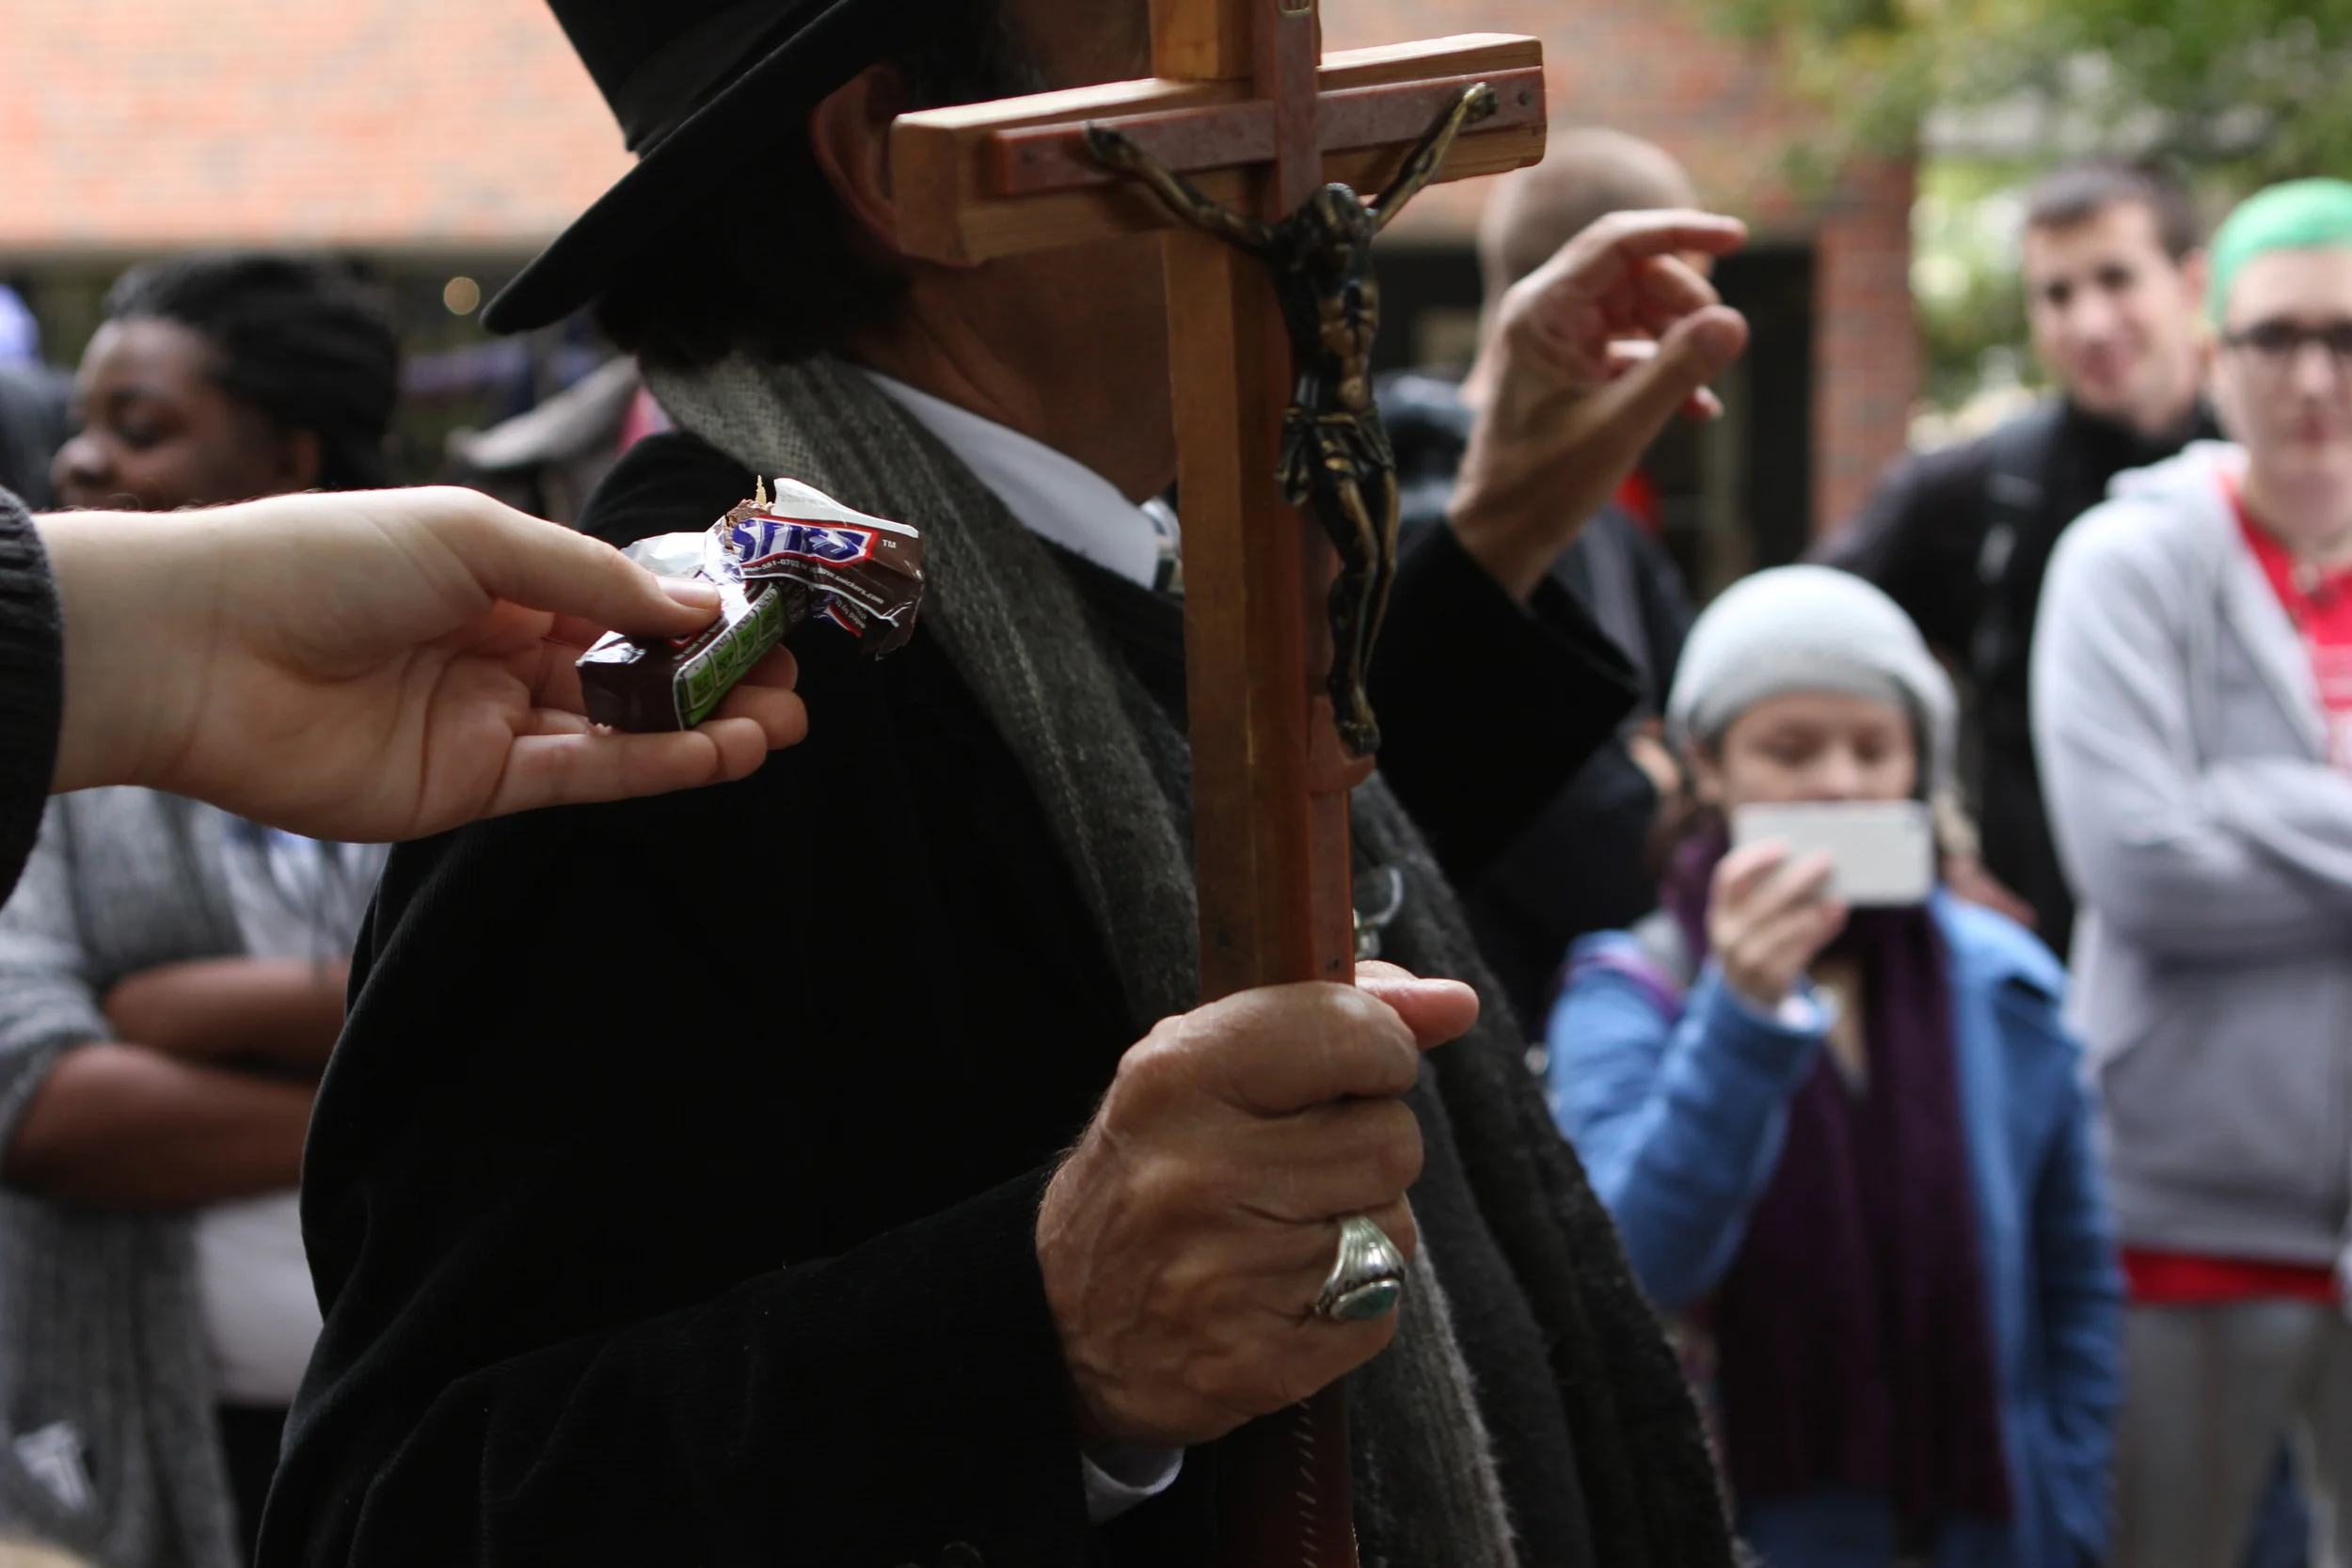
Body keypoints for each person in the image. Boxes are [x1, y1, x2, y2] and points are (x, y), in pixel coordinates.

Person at [260, 3, 1753, 1565]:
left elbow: (1245, 894)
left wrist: (1502, 524)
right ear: (892, 165)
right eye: (1191, 31)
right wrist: (1046, 1335)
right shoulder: (685, 678)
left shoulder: (1100, 545)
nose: (1294, 94)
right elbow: (409, 1507)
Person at [0, 254, 730, 1568]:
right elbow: (47, 1101)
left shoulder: (480, 710)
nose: (84, 464)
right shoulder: (55, 757)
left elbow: (570, 1042)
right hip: (140, 1456)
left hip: (428, 1450)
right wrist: (425, 1124)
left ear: (288, 457)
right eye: (79, 427)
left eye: (142, 425)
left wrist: (190, 1010)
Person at [1549, 564, 2120, 1568]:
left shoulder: (2004, 982)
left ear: (1917, 767)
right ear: (1708, 766)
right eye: (1790, 748)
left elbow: (2075, 1281)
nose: (1839, 783)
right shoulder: (1629, 987)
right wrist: (1743, 1012)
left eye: (1873, 747)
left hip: (1992, 1529)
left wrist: (2063, 1500)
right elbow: (1634, 1270)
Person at [2033, 177, 2352, 1568]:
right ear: (2213, 351)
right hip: (2190, 1191)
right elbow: (2142, 867)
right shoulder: (2125, 560)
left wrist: (2249, 798)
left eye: (2351, 337)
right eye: (2277, 336)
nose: (2317, 377)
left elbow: (2194, 836)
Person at [1815, 161, 2218, 957]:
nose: (2090, 321)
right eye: (2057, 294)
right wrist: (1921, 856)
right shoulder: (1976, 487)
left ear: (2190, 282)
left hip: (2237, 933)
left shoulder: (2266, 479)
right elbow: (1800, 636)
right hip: (2031, 951)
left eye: (2116, 279)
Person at [1384, 127, 1728, 1034]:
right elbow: (1599, 853)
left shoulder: (1612, 523)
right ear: (1638, 287)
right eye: (1687, 295)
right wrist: (1649, 773)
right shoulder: (1410, 517)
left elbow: (1708, 742)